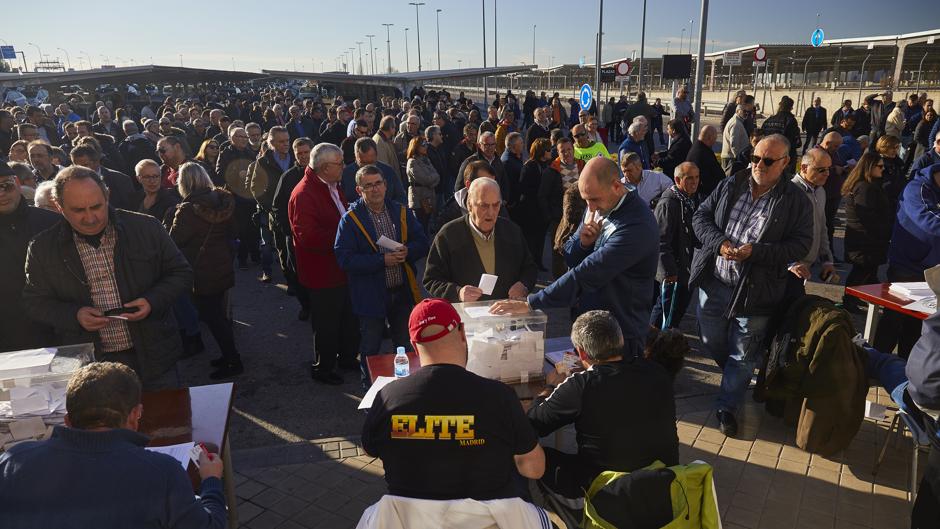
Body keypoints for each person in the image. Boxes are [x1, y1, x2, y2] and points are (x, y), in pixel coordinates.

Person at [23, 166, 193, 390]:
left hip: (154, 355)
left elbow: (181, 272)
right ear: (59, 207)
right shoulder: (42, 247)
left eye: (96, 206)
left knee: (166, 421)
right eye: (78, 210)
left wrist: (152, 301)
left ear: (107, 196)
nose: (90, 218)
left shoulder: (146, 228)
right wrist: (75, 315)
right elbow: (35, 301)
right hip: (90, 366)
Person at [0, 362, 226, 528]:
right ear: (135, 415)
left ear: (67, 420)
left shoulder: (13, 461)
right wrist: (211, 481)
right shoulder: (163, 472)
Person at [690, 134, 813, 437]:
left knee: (743, 354)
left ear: (785, 163)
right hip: (716, 281)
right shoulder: (732, 183)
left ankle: (727, 406)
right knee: (710, 340)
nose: (759, 165)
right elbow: (701, 216)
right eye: (755, 158)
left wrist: (756, 253)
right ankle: (738, 376)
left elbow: (800, 244)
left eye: (767, 161)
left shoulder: (795, 200)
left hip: (758, 292)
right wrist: (720, 244)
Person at [361, 298, 545, 500]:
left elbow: (371, 450)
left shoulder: (388, 398)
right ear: (462, 333)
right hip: (487, 518)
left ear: (414, 344)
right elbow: (534, 469)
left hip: (412, 518)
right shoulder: (500, 397)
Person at [491, 157, 658, 358]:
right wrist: (583, 243)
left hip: (620, 336)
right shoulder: (597, 206)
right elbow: (569, 255)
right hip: (590, 327)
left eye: (594, 200)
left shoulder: (636, 225)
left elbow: (589, 271)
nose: (591, 208)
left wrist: (531, 302)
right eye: (586, 200)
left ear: (616, 186)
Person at [527, 310, 678, 511]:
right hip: (663, 482)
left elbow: (533, 423)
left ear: (581, 353)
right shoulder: (657, 372)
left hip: (609, 491)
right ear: (620, 341)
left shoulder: (581, 385)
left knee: (538, 458)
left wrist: (551, 386)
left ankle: (581, 517)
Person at [335, 165, 429, 385]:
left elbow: (422, 242)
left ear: (386, 185)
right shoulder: (349, 220)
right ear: (359, 190)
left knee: (406, 346)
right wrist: (381, 261)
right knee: (370, 348)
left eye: (378, 183)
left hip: (402, 292)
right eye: (368, 185)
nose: (375, 189)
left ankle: (406, 389)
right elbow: (344, 259)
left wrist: (409, 251)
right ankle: (371, 393)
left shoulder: (401, 211)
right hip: (370, 296)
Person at [289, 143, 360, 385]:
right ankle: (324, 367)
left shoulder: (331, 184)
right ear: (324, 167)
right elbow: (307, 237)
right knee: (327, 324)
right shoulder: (304, 194)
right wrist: (345, 236)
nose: (344, 167)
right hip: (323, 272)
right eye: (340, 163)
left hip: (342, 268)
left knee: (348, 318)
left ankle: (348, 358)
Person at [166, 163, 241, 379]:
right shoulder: (222, 201)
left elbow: (175, 240)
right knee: (218, 315)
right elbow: (234, 230)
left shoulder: (187, 210)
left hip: (201, 271)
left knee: (213, 317)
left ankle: (233, 360)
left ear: (184, 182)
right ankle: (229, 356)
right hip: (222, 264)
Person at [424, 177, 537, 302]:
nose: (491, 212)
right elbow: (431, 280)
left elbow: (529, 268)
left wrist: (523, 285)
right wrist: (458, 292)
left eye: (496, 205)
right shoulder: (448, 235)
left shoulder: (512, 231)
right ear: (469, 205)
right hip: (466, 317)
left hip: (506, 314)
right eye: (484, 205)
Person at [874, 162, 940, 360]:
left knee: (917, 323)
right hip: (907, 265)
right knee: (893, 319)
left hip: (931, 268)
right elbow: (926, 219)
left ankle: (906, 368)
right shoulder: (916, 188)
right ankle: (874, 362)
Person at [0, 164, 60, 352]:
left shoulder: (52, 223)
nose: (1, 194)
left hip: (54, 329)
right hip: (6, 336)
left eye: (6, 186)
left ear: (17, 183)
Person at [841, 152, 893, 313]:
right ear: (869, 167)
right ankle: (850, 300)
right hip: (866, 240)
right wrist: (884, 230)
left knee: (868, 272)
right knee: (862, 271)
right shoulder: (864, 187)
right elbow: (867, 216)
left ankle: (864, 298)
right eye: (880, 166)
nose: (883, 169)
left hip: (868, 239)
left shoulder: (868, 184)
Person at [651, 162, 701, 330]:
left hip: (686, 269)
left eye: (697, 177)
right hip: (673, 272)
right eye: (689, 178)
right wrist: (669, 272)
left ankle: (667, 344)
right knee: (664, 313)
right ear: (677, 180)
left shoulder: (688, 198)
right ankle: (651, 346)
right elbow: (660, 241)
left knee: (677, 312)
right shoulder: (669, 203)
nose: (694, 182)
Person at [271, 137, 313, 321]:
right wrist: (288, 230)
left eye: (306, 152)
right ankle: (306, 305)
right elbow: (277, 207)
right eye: (299, 153)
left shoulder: (323, 172)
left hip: (319, 234)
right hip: (295, 237)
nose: (303, 156)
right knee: (298, 274)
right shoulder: (288, 177)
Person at [786, 149, 836, 299]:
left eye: (829, 169)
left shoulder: (820, 191)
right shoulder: (789, 192)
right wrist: (791, 263)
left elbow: (822, 227)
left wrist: (827, 260)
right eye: (821, 169)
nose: (827, 173)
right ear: (803, 168)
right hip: (788, 269)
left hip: (806, 267)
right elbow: (776, 232)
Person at [246, 126, 292, 283]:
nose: (286, 144)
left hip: (294, 211)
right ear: (271, 143)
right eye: (281, 141)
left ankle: (293, 278)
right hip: (270, 212)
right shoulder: (263, 162)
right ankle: (267, 270)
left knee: (291, 245)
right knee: (269, 244)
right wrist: (270, 207)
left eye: (287, 140)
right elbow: (255, 188)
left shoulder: (295, 157)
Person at [216, 127, 259, 269]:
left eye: (244, 137)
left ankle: (255, 254)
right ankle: (242, 258)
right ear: (231, 138)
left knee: (252, 226)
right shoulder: (226, 152)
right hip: (234, 196)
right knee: (240, 229)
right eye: (239, 137)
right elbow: (220, 173)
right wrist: (236, 174)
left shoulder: (250, 152)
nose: (243, 139)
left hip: (249, 195)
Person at [515, 138, 552, 271]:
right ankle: (529, 266)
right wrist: (540, 191)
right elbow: (523, 188)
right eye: (548, 149)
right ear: (542, 151)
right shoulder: (530, 166)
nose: (550, 151)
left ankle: (538, 262)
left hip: (542, 209)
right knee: (530, 240)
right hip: (530, 211)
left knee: (540, 239)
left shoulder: (547, 165)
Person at [69, 143, 139, 211]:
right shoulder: (71, 184)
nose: (80, 169)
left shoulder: (121, 180)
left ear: (96, 162)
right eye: (77, 166)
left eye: (85, 165)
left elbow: (131, 210)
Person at [341, 137, 407, 205]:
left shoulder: (388, 172)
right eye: (363, 163)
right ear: (356, 157)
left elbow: (401, 198)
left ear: (376, 155)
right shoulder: (345, 175)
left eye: (371, 162)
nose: (368, 167)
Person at [406, 136, 439, 232]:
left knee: (427, 226)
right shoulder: (412, 162)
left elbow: (437, 175)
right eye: (423, 145)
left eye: (426, 144)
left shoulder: (426, 160)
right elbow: (425, 179)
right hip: (418, 201)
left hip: (428, 198)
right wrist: (432, 180)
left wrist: (432, 180)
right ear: (416, 146)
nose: (426, 147)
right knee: (420, 227)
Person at [760, 96, 801, 167]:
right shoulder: (790, 120)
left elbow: (761, 137)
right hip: (782, 158)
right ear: (791, 108)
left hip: (766, 156)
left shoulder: (769, 120)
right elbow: (794, 142)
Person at [686, 125, 724, 199]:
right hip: (703, 194)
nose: (714, 142)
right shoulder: (702, 152)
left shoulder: (699, 147)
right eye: (714, 139)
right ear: (709, 138)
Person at [135, 159, 179, 224]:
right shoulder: (134, 198)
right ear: (138, 178)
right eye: (147, 177)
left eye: (155, 176)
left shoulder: (171, 200)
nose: (152, 181)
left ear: (161, 176)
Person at [721, 97, 753, 172]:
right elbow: (734, 144)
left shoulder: (738, 122)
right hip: (731, 158)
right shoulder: (736, 124)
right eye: (744, 111)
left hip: (732, 158)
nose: (746, 113)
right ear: (738, 111)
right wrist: (738, 158)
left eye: (747, 112)